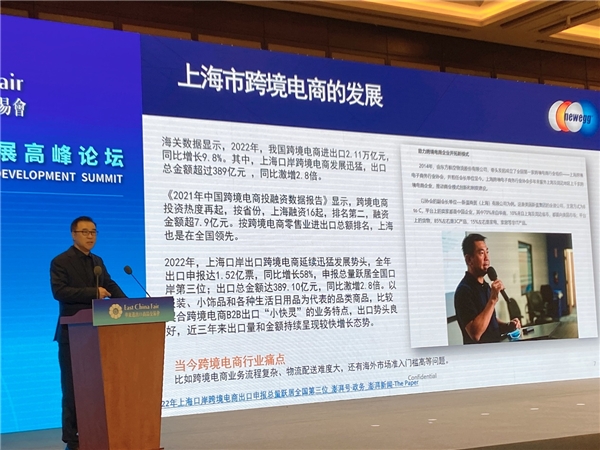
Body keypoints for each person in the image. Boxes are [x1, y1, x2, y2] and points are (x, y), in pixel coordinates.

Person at [50, 216, 126, 450]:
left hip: (99, 334)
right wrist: (94, 292)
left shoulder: (97, 261)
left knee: (98, 387)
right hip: (73, 334)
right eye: (85, 232)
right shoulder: (60, 261)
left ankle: (97, 430)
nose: (90, 236)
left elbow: (109, 285)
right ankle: (72, 437)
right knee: (73, 387)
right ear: (73, 234)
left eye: (93, 232)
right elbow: (60, 292)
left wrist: (129, 305)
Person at [454, 233, 520, 344]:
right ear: (469, 259)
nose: (487, 258)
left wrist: (508, 325)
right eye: (481, 253)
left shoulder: (485, 286)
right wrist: (492, 300)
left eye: (487, 252)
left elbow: (489, 321)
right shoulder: (464, 291)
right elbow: (475, 334)